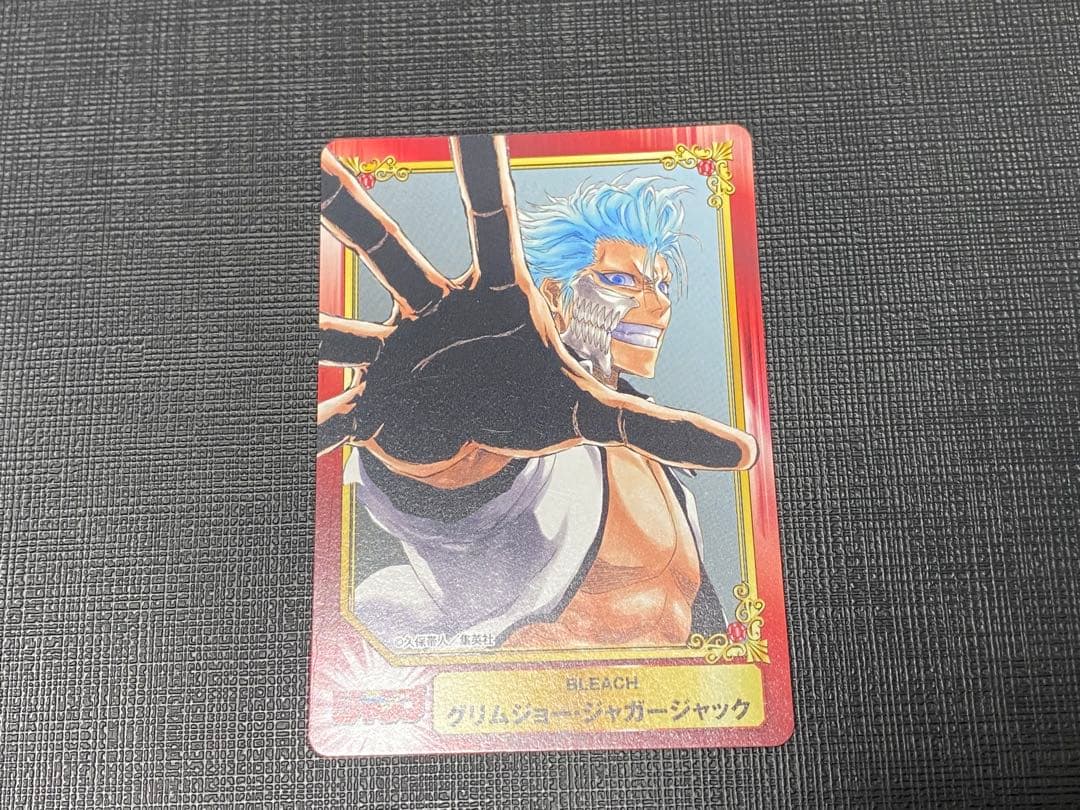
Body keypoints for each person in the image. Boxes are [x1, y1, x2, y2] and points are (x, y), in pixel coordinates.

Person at [317, 136, 757, 651]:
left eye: (660, 285)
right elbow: (472, 511)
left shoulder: (654, 449)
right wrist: (426, 448)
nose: (657, 306)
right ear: (553, 297)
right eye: (620, 280)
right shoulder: (529, 434)